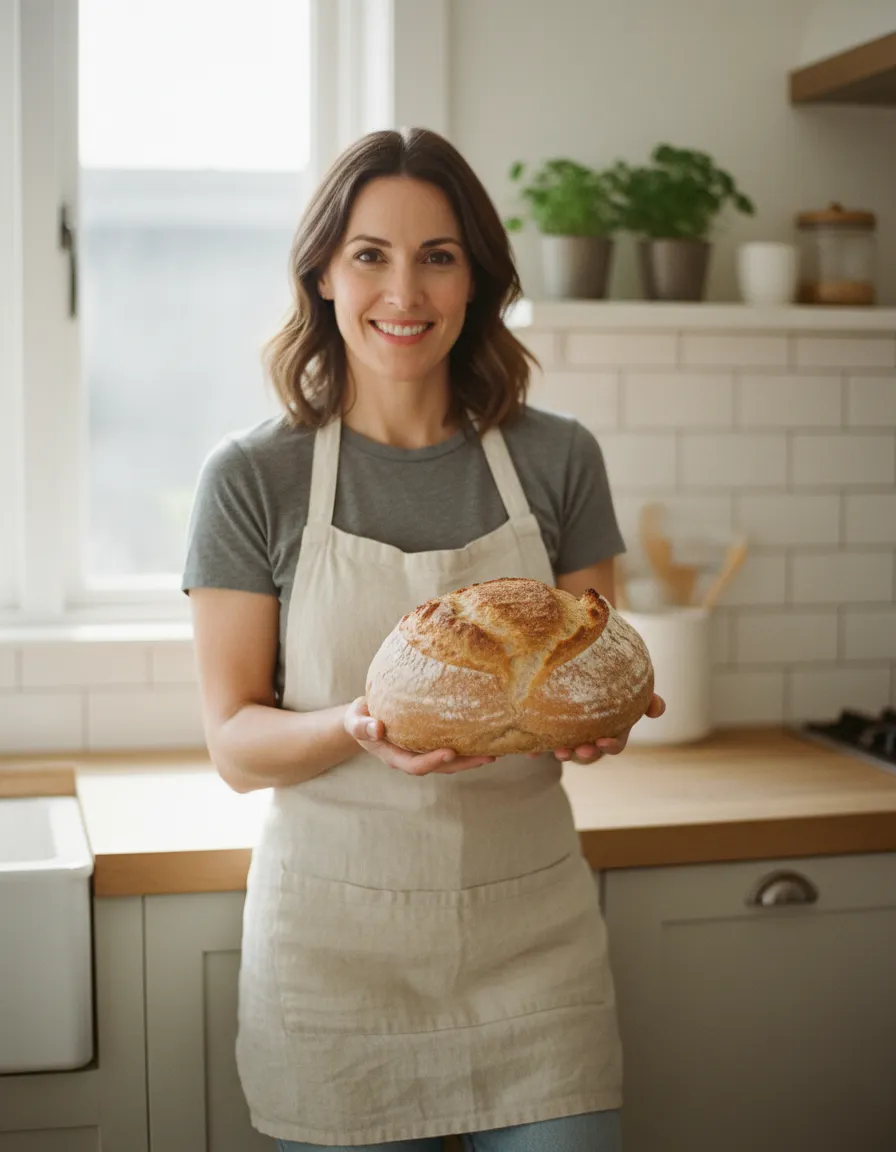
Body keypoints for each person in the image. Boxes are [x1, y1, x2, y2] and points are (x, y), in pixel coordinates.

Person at [183, 126, 665, 1152]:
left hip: (532, 939)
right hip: (333, 946)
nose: (403, 293)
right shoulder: (250, 478)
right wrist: (356, 726)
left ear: (477, 278)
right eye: (370, 254)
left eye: (437, 257)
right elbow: (233, 743)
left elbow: (592, 667)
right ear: (320, 272)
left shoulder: (558, 457)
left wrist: (602, 725)